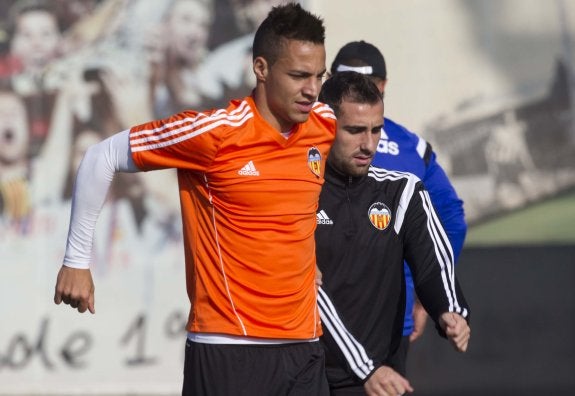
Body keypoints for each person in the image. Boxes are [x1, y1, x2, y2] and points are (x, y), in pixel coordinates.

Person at [53, 3, 335, 395]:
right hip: (230, 349)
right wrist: (76, 261)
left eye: (319, 76)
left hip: (304, 347)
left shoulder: (324, 125)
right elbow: (102, 157)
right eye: (299, 76)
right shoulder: (213, 133)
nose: (312, 89)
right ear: (261, 69)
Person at [315, 71, 471, 395]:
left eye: (376, 130)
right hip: (307, 373)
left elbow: (431, 263)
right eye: (355, 130)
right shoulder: (297, 191)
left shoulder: (401, 191)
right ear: (325, 127)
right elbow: (306, 291)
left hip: (377, 376)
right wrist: (363, 366)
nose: (368, 144)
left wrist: (450, 309)